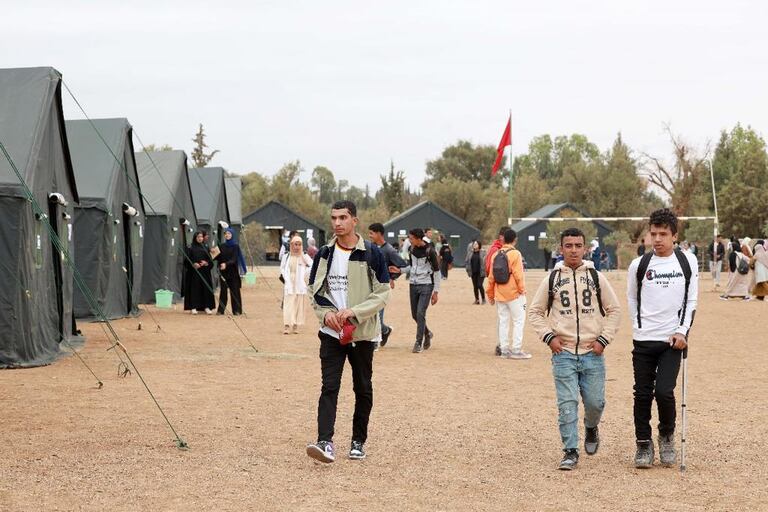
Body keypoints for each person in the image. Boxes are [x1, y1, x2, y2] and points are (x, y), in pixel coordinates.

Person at [528, 227, 621, 470]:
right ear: (561, 249)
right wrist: (549, 337)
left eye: (578, 245)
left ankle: (591, 427)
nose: (573, 250)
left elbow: (614, 310)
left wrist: (603, 340)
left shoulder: (596, 277)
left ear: (585, 248)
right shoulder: (552, 278)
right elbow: (535, 312)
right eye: (568, 246)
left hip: (593, 353)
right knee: (567, 404)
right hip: (564, 354)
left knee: (595, 403)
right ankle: (570, 451)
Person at [305, 200, 390, 464]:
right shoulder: (324, 254)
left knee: (362, 387)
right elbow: (314, 291)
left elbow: (382, 294)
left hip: (362, 334)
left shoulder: (373, 254)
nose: (337, 223)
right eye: (334, 218)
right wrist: (326, 314)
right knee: (329, 387)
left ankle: (358, 441)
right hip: (331, 334)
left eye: (343, 217)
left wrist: (355, 312)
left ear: (355, 220)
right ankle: (325, 442)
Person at [627, 208, 698, 469]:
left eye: (663, 234)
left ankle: (666, 434)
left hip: (672, 340)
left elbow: (691, 299)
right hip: (644, 340)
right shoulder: (639, 265)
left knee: (664, 391)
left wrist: (683, 330)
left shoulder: (687, 261)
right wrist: (637, 325)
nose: (657, 239)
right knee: (642, 394)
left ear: (674, 236)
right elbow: (632, 297)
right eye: (653, 234)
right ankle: (643, 443)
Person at [486, 229, 530, 359]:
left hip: (499, 293)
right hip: (514, 293)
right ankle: (516, 350)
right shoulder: (515, 254)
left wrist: (490, 294)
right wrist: (522, 290)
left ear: (503, 239)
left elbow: (491, 277)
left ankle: (504, 350)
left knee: (503, 322)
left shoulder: (496, 254)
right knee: (518, 321)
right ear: (515, 240)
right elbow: (518, 275)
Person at [368, 222, 407, 348]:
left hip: (383, 286)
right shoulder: (371, 247)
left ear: (379, 234)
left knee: (378, 313)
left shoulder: (390, 250)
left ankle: (375, 341)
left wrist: (391, 278)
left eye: (371, 233)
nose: (369, 236)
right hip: (370, 285)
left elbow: (402, 265)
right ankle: (385, 330)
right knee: (370, 313)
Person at [403, 228, 441, 354]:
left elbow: (436, 271)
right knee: (415, 315)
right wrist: (400, 271)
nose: (409, 240)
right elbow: (412, 266)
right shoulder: (411, 249)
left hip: (426, 285)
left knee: (420, 313)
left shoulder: (430, 251)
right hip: (413, 284)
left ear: (418, 239)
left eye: (411, 238)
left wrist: (436, 292)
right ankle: (427, 333)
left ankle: (418, 342)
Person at [280, 235, 314, 334]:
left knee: (297, 305)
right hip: (289, 283)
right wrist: (286, 277)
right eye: (295, 244)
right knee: (288, 304)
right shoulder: (286, 256)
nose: (297, 247)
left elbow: (312, 265)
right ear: (291, 244)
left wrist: (304, 274)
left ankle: (295, 326)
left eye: (299, 244)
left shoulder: (303, 256)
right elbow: (282, 268)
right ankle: (286, 325)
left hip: (299, 284)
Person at [215, 228, 246, 316]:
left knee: (235, 291)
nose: (227, 235)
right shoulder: (222, 246)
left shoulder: (235, 246)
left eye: (229, 234)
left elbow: (234, 259)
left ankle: (237, 310)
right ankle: (221, 310)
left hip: (233, 273)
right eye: (226, 234)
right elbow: (218, 257)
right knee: (223, 292)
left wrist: (226, 264)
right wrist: (212, 253)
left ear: (232, 235)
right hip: (224, 273)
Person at [183, 231, 215, 315]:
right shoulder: (190, 247)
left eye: (201, 237)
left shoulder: (206, 246)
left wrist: (206, 263)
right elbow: (186, 260)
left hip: (205, 272)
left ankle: (206, 307)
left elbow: (210, 260)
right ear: (195, 238)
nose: (200, 238)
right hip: (194, 273)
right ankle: (193, 307)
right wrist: (193, 264)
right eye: (198, 237)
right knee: (194, 289)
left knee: (205, 289)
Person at [465, 240, 486, 305]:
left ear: (479, 245)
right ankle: (477, 300)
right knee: (475, 286)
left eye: (476, 244)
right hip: (473, 272)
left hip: (481, 272)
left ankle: (483, 299)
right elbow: (467, 261)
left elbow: (486, 261)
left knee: (479, 285)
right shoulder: (470, 253)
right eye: (474, 244)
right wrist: (467, 269)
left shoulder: (483, 252)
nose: (474, 245)